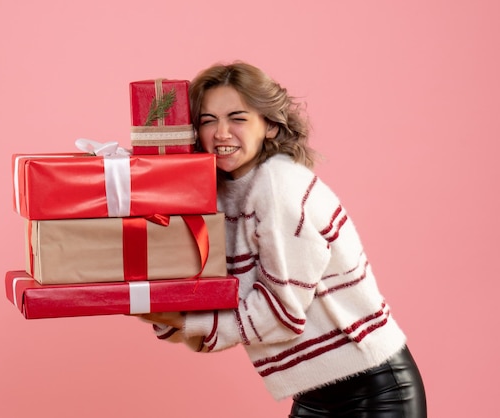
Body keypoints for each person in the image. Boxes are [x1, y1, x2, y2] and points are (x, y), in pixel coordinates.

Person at [138, 61, 427, 417]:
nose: (221, 133)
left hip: (374, 391)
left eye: (238, 118)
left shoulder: (279, 186)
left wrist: (182, 322)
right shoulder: (220, 195)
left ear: (271, 125)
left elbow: (282, 313)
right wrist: (150, 300)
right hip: (312, 394)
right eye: (208, 120)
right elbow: (217, 290)